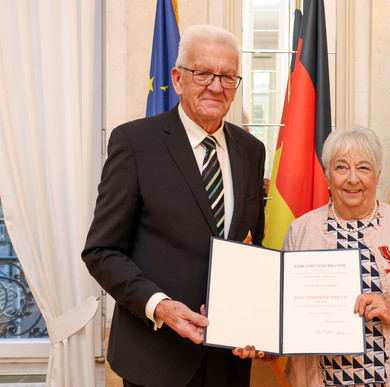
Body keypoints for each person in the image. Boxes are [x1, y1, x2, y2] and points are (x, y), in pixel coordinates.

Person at [82, 25, 266, 387]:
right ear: (178, 79)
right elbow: (101, 251)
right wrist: (161, 307)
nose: (216, 86)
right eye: (203, 74)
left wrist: (255, 320)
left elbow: (250, 247)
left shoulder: (251, 150)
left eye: (227, 76)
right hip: (155, 359)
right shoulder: (135, 143)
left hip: (229, 362)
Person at [281, 126, 390, 386]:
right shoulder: (301, 231)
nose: (352, 179)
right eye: (340, 167)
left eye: (363, 168)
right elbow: (283, 314)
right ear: (327, 175)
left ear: (378, 175)